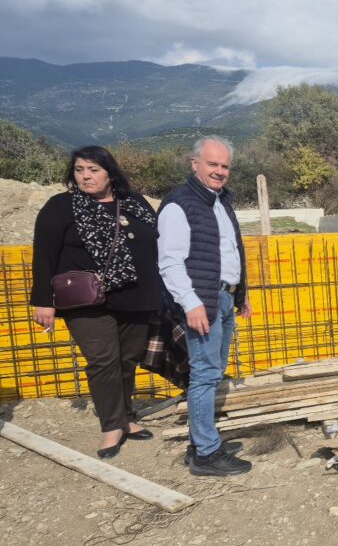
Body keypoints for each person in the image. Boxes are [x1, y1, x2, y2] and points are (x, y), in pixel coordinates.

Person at [31, 146, 162, 458]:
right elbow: (44, 255)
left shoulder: (136, 203)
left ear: (110, 173)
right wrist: (42, 301)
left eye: (93, 170)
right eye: (79, 170)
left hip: (136, 294)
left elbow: (156, 242)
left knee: (127, 359)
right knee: (103, 361)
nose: (85, 176)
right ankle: (111, 426)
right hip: (86, 300)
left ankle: (126, 417)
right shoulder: (60, 207)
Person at [158, 136, 253, 475]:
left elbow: (229, 253)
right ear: (195, 163)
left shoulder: (219, 203)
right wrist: (192, 303)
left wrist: (240, 295)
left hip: (223, 297)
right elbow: (170, 262)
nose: (219, 171)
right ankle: (206, 454)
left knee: (213, 371)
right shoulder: (179, 205)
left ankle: (203, 439)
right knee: (205, 375)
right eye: (212, 164)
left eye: (225, 166)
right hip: (203, 301)